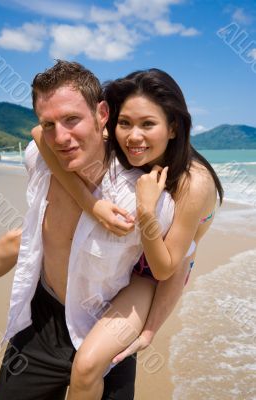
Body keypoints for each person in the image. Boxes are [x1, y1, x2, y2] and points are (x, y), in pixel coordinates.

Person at [31, 67, 224, 399]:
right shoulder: (121, 141)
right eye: (126, 124)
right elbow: (38, 134)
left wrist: (146, 211)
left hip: (151, 274)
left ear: (174, 127)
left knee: (87, 366)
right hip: (131, 256)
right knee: (17, 239)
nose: (134, 136)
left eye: (148, 124)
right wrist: (92, 206)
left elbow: (168, 268)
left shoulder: (194, 183)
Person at [0, 61, 179, 400]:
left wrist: (149, 328)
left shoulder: (145, 197)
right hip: (42, 321)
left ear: (102, 113)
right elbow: (25, 238)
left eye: (72, 120)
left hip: (107, 328)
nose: (60, 138)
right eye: (48, 123)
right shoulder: (39, 157)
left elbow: (166, 270)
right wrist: (91, 206)